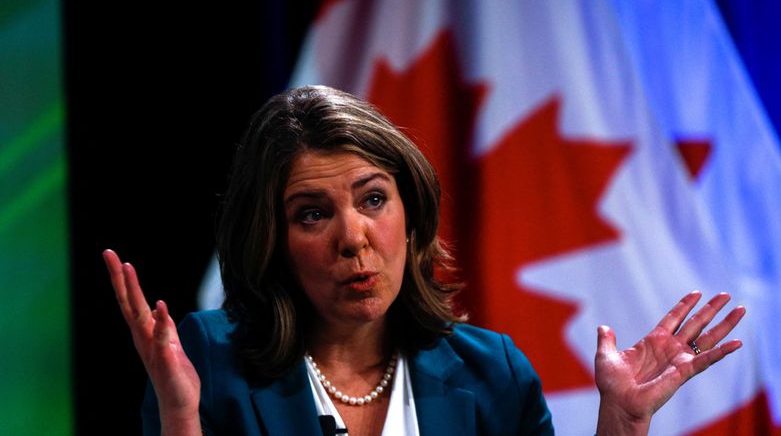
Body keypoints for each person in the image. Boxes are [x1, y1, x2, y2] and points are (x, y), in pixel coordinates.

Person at [104, 85, 745, 436]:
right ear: (271, 238)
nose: (354, 238)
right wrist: (182, 419)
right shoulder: (209, 362)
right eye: (312, 214)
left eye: (373, 199)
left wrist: (624, 423)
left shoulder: (492, 372)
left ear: (411, 219)